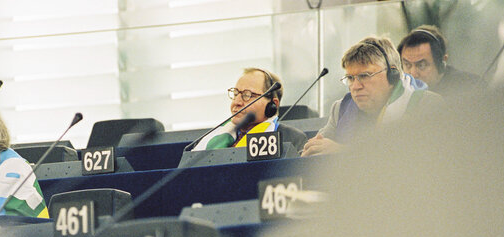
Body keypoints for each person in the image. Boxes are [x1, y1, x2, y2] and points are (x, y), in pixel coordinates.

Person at [302, 36, 442, 157]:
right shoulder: (340, 109)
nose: (355, 87)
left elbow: (419, 156)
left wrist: (343, 152)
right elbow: (314, 152)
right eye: (350, 78)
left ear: (392, 76)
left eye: (364, 76)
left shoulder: (427, 104)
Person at [193, 68, 307, 153]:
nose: (237, 102)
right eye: (236, 93)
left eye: (247, 95)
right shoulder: (213, 137)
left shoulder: (291, 139)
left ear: (272, 104)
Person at [397, 25, 480, 96]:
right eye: (407, 65)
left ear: (442, 64)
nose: (413, 75)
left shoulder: (472, 88)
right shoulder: (401, 95)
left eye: (421, 65)